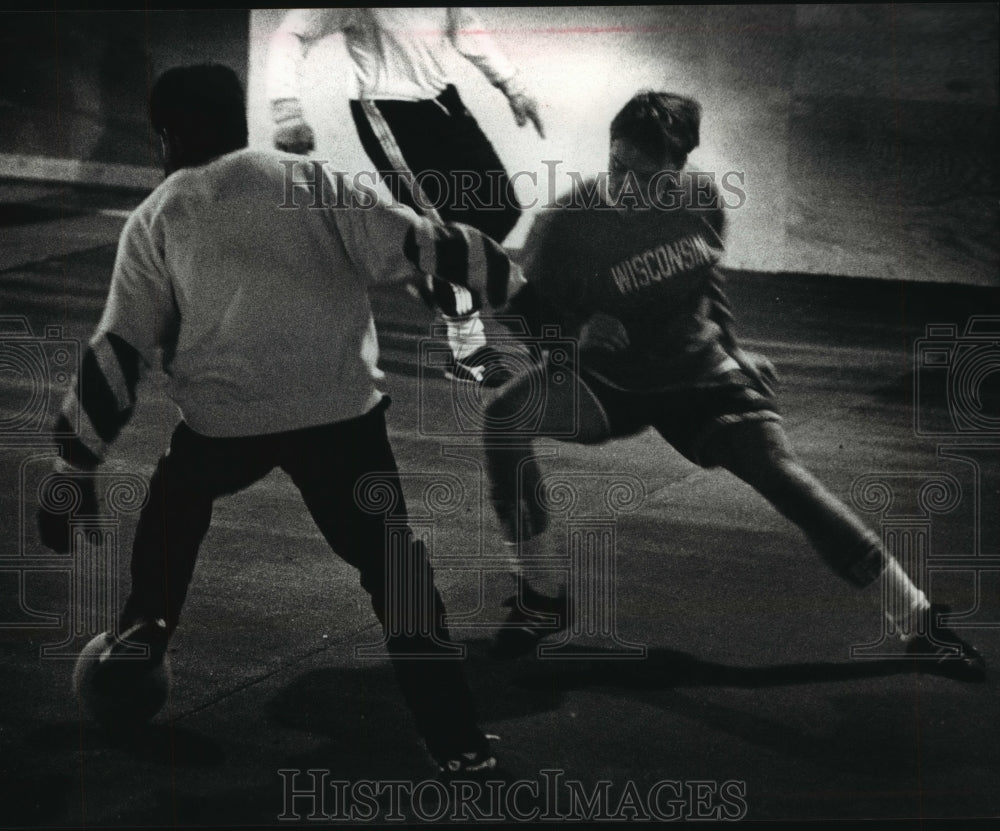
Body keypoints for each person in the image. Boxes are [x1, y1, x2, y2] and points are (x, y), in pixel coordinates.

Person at [36, 63, 517, 775]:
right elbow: (430, 245)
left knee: (177, 500)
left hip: (224, 422)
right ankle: (459, 741)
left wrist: (73, 468)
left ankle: (148, 621)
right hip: (342, 418)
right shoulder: (312, 181)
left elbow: (116, 356)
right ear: (241, 119)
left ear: (164, 136)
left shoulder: (158, 216)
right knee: (395, 569)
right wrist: (529, 296)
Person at [480, 90, 987, 682]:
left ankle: (920, 623)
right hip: (609, 383)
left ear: (680, 169)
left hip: (697, 376)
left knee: (785, 475)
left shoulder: (701, 200)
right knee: (504, 419)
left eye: (649, 178)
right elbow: (518, 314)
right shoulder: (566, 224)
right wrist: (573, 335)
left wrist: (735, 348)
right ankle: (541, 597)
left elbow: (705, 279)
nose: (628, 186)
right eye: (618, 168)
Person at [265, 7, 545, 383]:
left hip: (443, 100)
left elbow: (466, 28)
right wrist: (287, 110)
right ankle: (466, 351)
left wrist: (514, 87)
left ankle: (424, 266)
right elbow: (294, 33)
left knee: (502, 208)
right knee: (448, 231)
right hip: (390, 112)